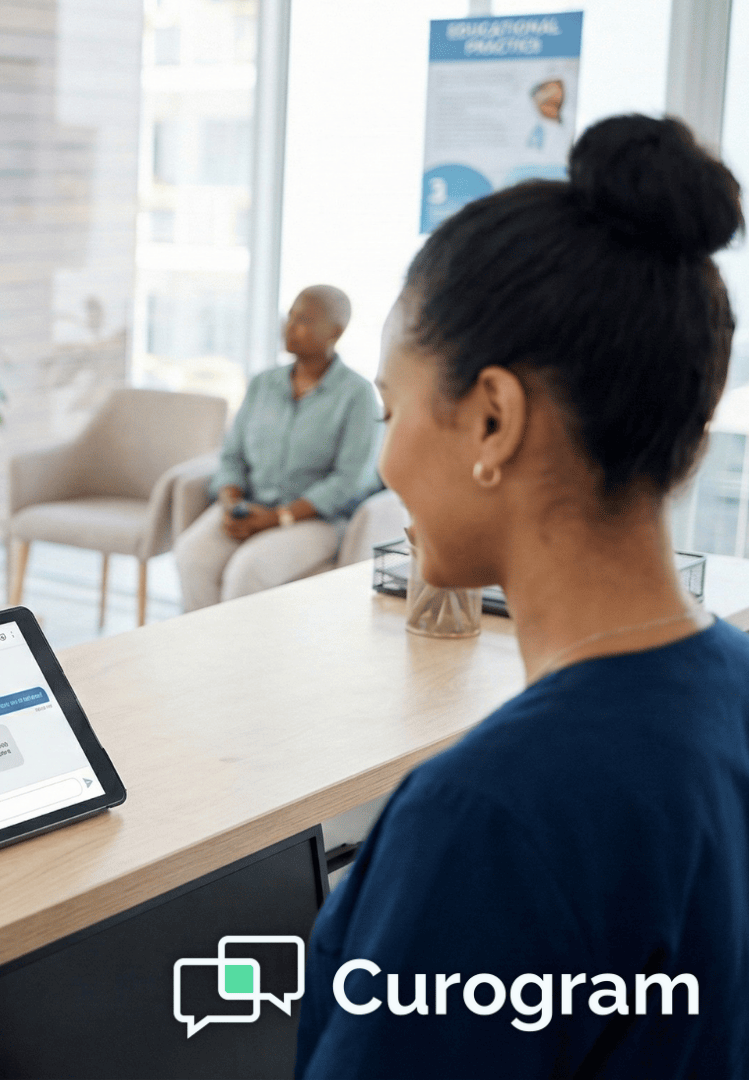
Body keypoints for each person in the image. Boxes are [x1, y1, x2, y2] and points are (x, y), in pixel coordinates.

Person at [298, 115, 749, 1076]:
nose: (386, 457)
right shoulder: (735, 696)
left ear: (493, 419)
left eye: (392, 406)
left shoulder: (494, 819)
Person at [174, 286, 380, 611]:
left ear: (336, 332)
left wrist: (277, 518)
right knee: (192, 556)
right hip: (250, 505)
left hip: (316, 521)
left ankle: (244, 661)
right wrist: (231, 503)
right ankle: (207, 654)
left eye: (305, 320)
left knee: (248, 572)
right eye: (291, 316)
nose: (290, 326)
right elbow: (232, 456)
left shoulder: (357, 394)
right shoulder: (263, 384)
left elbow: (351, 478)